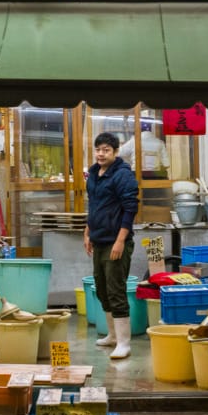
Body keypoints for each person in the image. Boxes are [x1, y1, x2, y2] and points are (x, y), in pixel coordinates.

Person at [83, 131, 140, 359]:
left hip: (117, 242)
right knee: (102, 288)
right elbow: (94, 205)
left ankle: (124, 343)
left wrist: (120, 240)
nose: (100, 153)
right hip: (99, 239)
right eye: (98, 149)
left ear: (116, 152)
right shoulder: (94, 173)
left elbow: (130, 208)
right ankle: (112, 336)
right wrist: (88, 231)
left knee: (116, 289)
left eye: (106, 150)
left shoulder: (122, 175)